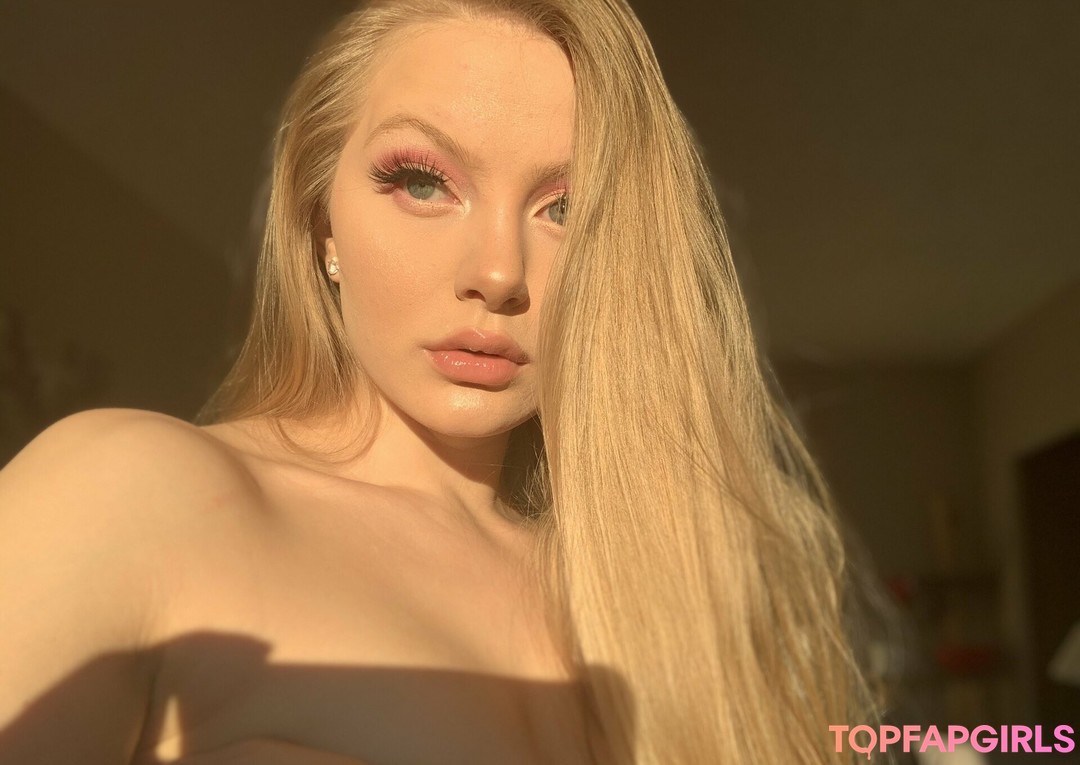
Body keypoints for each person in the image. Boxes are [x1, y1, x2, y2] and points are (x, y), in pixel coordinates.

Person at [0, 0, 880, 762]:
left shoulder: (671, 597)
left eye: (567, 208)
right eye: (423, 182)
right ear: (320, 222)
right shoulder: (131, 494)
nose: (498, 272)